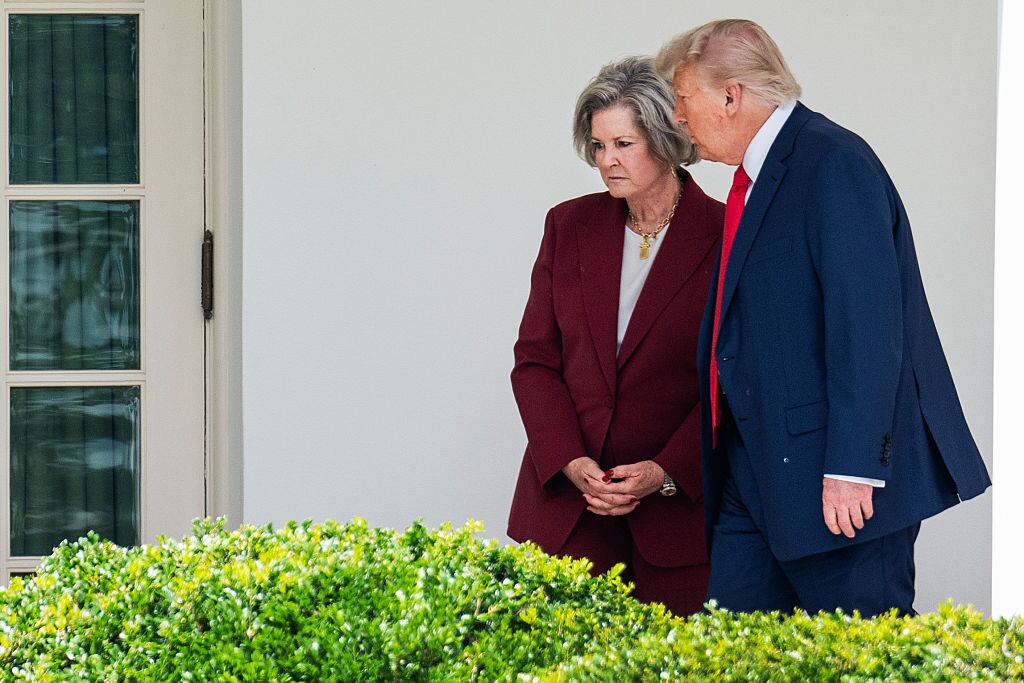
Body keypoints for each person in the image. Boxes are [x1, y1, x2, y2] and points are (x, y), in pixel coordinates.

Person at [653, 19, 991, 616]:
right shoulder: (756, 179)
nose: (678, 118)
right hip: (755, 476)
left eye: (682, 100)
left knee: (857, 660)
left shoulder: (833, 162)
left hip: (833, 487)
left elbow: (868, 326)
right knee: (730, 657)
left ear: (730, 95)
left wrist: (855, 467)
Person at [507, 56, 725, 616]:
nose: (607, 161)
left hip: (675, 523)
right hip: (568, 510)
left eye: (624, 143)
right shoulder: (568, 225)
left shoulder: (728, 233)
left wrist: (665, 472)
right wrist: (568, 460)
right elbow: (534, 361)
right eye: (599, 146)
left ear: (666, 136)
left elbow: (734, 377)